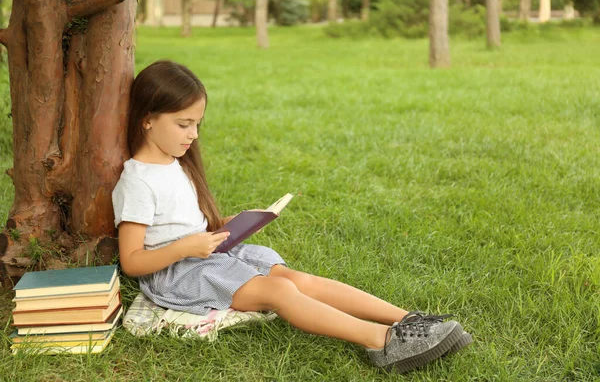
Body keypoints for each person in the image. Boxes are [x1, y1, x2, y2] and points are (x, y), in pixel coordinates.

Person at [112, 60, 472, 374]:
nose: (193, 134)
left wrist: (227, 226)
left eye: (197, 125)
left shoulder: (176, 163)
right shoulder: (138, 180)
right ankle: (384, 341)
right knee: (280, 291)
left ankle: (406, 319)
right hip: (179, 274)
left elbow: (182, 223)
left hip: (205, 255)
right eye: (183, 124)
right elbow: (132, 261)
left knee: (296, 278)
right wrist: (187, 246)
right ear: (147, 120)